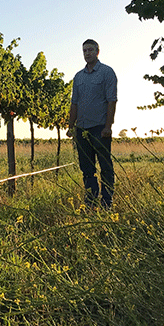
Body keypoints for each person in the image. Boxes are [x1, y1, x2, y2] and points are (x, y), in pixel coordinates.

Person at [67, 39, 117, 209]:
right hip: (82, 129)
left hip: (99, 128)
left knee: (105, 166)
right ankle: (91, 200)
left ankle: (107, 202)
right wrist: (71, 126)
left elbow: (111, 101)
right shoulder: (78, 77)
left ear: (97, 51)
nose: (87, 53)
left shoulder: (107, 72)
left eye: (90, 50)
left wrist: (108, 126)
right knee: (87, 167)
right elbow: (74, 103)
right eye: (84, 51)